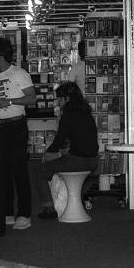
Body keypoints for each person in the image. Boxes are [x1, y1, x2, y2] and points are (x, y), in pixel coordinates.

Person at [0, 37, 36, 230]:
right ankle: (6, 212)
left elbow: (32, 99)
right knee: (2, 171)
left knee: (19, 170)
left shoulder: (20, 74)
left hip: (17, 126)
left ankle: (24, 213)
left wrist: (11, 102)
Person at [33, 81, 98, 219]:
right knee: (59, 161)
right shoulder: (87, 113)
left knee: (39, 172)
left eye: (59, 98)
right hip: (92, 161)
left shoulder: (68, 115)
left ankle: (49, 209)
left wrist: (47, 154)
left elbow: (58, 141)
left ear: (66, 98)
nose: (58, 101)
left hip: (77, 161)